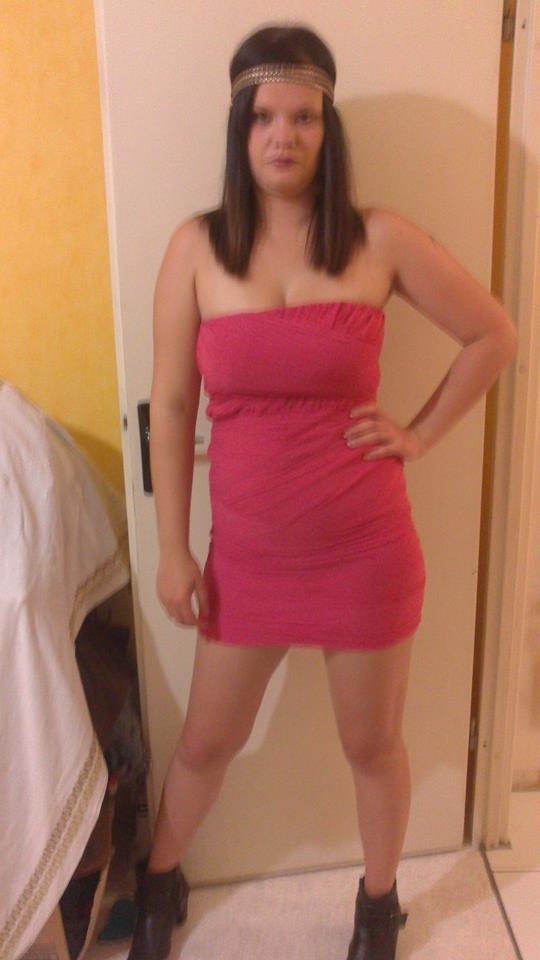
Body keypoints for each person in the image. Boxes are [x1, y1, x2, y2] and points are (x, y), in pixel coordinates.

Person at [127, 22, 517, 960]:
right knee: (204, 745)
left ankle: (379, 908)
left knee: (371, 747)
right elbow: (173, 407)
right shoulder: (195, 248)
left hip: (363, 550)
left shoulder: (378, 237)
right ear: (239, 126)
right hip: (247, 556)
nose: (283, 135)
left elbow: (494, 335)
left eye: (303, 116)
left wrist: (417, 433)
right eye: (264, 116)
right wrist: (174, 548)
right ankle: (159, 881)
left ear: (326, 126)